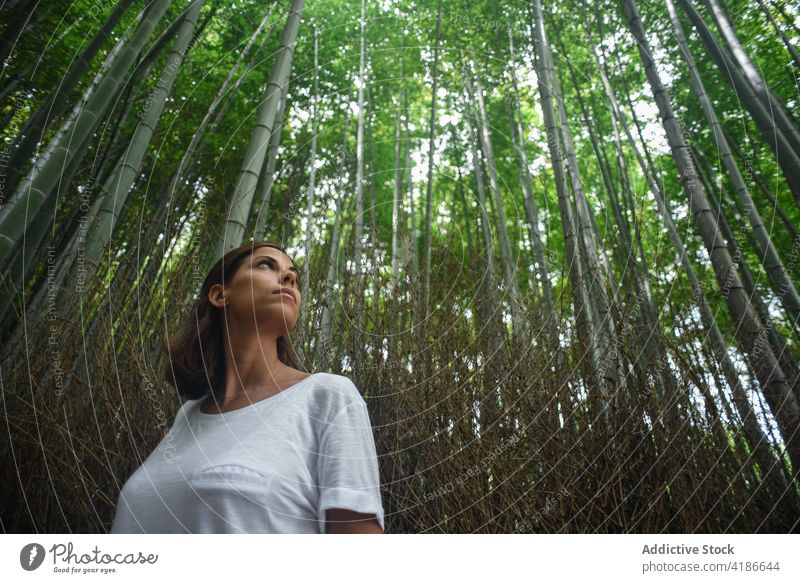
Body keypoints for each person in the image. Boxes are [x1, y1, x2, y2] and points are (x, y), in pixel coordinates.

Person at [110, 241, 385, 534]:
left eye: (293, 275)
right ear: (220, 294)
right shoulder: (188, 416)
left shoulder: (327, 396)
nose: (290, 278)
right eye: (266, 265)